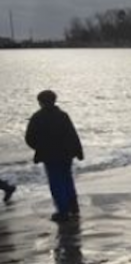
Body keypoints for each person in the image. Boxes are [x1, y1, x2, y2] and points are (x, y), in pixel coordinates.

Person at [25, 90, 83, 222]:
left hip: (49, 154)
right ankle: (73, 207)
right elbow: (72, 134)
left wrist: (39, 148)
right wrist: (78, 151)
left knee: (56, 182)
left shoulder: (37, 117)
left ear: (40, 102)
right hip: (66, 153)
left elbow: (29, 138)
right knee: (67, 178)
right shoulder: (63, 115)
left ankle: (62, 211)